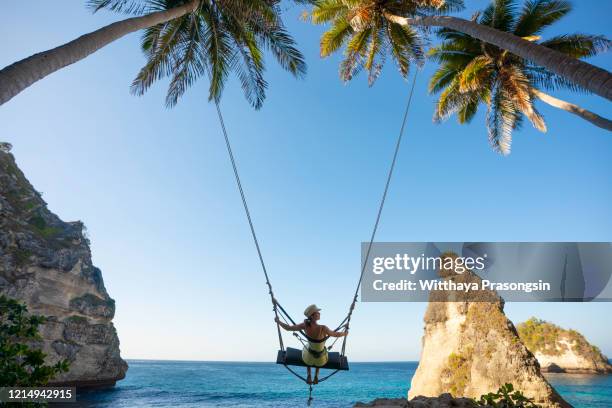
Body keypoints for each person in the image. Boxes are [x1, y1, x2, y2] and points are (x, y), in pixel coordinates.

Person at [275, 304, 348, 384]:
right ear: (312, 316)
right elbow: (336, 334)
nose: (319, 313)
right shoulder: (323, 328)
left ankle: (309, 374)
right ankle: (316, 375)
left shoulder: (305, 326)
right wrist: (345, 333)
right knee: (322, 351)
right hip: (321, 359)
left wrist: (278, 321)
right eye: (317, 312)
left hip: (308, 358)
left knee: (308, 349)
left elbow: (288, 328)